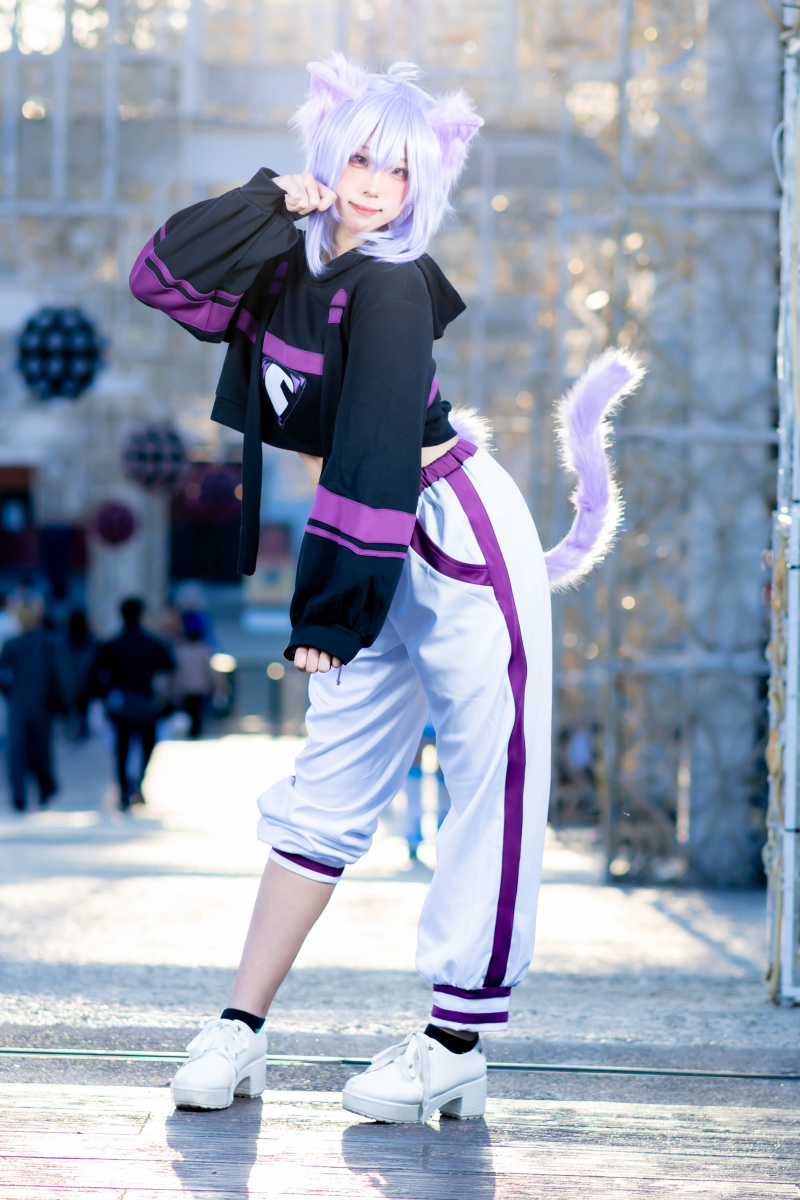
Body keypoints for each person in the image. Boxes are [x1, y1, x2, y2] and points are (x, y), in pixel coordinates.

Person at [130, 55, 642, 1121]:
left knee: (488, 778)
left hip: (449, 531)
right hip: (368, 535)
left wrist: (330, 608)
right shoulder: (286, 261)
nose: (374, 184)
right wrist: (269, 198)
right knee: (327, 786)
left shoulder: (393, 284)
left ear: (424, 184)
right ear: (328, 151)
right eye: (360, 157)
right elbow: (162, 278)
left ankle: (454, 1043)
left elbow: (373, 447)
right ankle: (239, 1026)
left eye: (400, 170)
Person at [93, 598, 175, 810]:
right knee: (147, 746)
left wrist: (107, 694)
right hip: (146, 702)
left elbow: (94, 673)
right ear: (142, 615)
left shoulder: (112, 644)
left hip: (121, 703)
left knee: (121, 749)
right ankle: (138, 782)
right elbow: (169, 666)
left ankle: (123, 791)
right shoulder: (152, 643)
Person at [0, 596, 64, 812]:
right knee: (41, 747)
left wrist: (10, 693)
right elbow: (56, 675)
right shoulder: (47, 642)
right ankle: (44, 789)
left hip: (19, 701)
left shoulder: (13, 644)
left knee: (18, 748)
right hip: (41, 701)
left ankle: (20, 794)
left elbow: (3, 675)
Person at [172, 614, 215, 738]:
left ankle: (194, 735)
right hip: (194, 689)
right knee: (193, 716)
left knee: (194, 716)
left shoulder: (181, 650)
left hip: (190, 689)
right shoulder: (203, 650)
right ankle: (193, 735)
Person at [61, 607, 97, 741]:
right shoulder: (90, 639)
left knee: (71, 708)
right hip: (85, 681)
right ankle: (82, 729)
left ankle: (72, 729)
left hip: (69, 680)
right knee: (83, 708)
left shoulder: (64, 640)